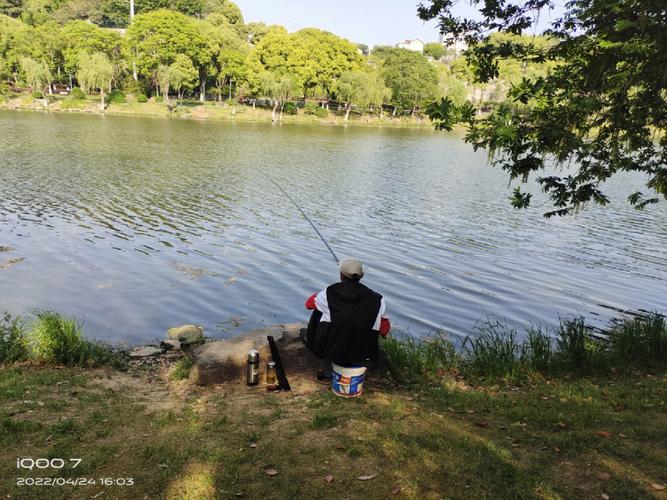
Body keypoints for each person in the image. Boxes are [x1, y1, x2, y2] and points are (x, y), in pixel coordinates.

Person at [302, 258, 390, 368]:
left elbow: (308, 304)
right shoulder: (378, 299)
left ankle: (310, 340)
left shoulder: (329, 293)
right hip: (362, 356)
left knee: (318, 310)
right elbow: (384, 330)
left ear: (341, 275)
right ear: (361, 276)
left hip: (329, 353)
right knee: (376, 320)